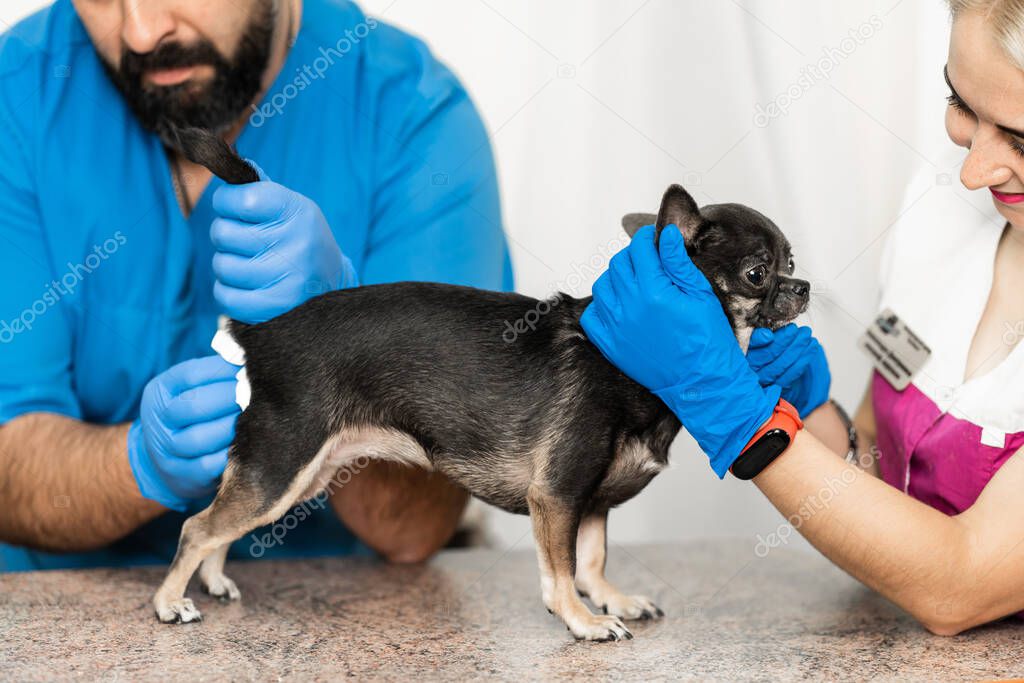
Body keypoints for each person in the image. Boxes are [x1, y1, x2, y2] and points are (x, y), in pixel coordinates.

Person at [0, 0, 511, 570]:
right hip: (62, 617)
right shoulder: (20, 90)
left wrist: (347, 332)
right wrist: (139, 464)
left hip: (326, 622)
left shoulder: (412, 116)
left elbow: (410, 530)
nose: (142, 33)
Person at [582, 0, 1024, 636]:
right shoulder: (940, 207)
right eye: (961, 104)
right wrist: (808, 405)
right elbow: (874, 468)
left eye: (1021, 136)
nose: (973, 170)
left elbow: (961, 583)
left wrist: (737, 415)